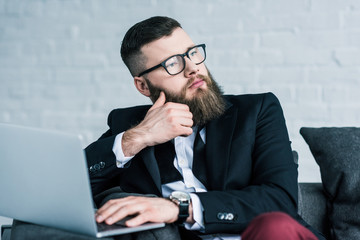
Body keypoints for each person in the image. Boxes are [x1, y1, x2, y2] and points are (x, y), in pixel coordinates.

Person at [85, 16, 325, 240]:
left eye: (193, 53)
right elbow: (71, 186)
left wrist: (178, 208)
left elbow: (280, 200)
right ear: (143, 86)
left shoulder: (257, 110)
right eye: (172, 63)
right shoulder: (130, 125)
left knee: (274, 226)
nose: (193, 68)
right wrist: (139, 137)